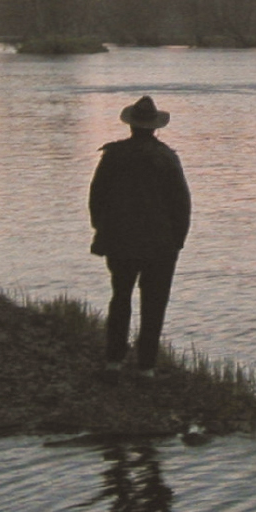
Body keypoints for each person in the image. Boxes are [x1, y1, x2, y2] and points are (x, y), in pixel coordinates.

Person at [88, 95, 191, 376]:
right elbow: (182, 205)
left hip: (119, 241)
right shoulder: (166, 158)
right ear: (155, 128)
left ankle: (114, 360)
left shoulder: (112, 155)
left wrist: (102, 230)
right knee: (154, 305)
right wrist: (177, 241)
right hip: (160, 245)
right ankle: (146, 366)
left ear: (131, 126)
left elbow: (96, 198)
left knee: (120, 298)